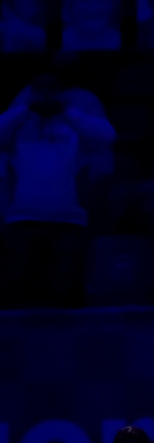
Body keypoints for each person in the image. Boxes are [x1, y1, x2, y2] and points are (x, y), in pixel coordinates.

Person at [0, 71, 115, 307]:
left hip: (69, 219)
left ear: (63, 94)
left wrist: (68, 111)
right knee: (19, 290)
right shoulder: (17, 125)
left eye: (52, 90)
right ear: (31, 93)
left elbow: (108, 136)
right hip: (23, 218)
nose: (46, 95)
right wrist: (24, 109)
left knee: (64, 293)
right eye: (40, 90)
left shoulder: (77, 124)